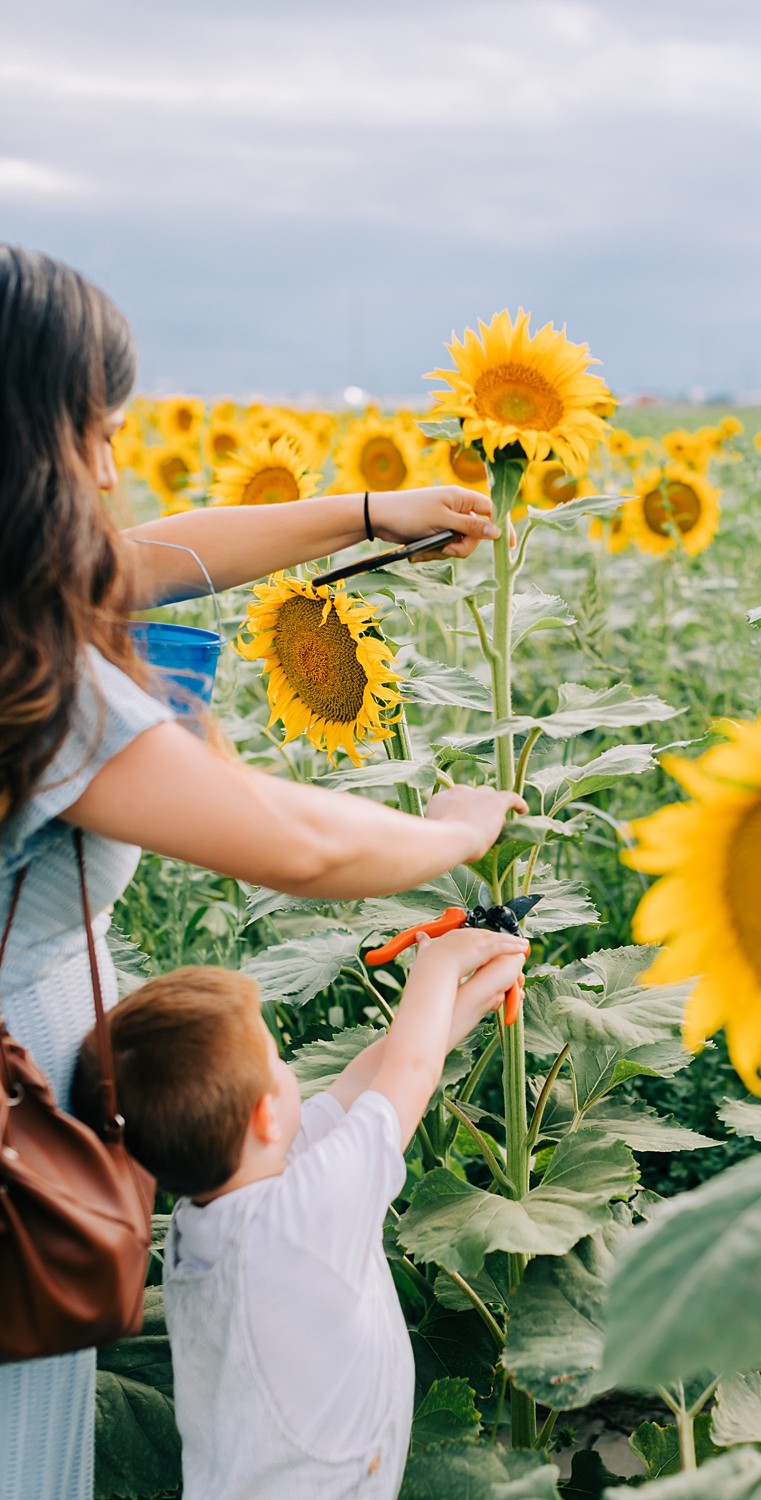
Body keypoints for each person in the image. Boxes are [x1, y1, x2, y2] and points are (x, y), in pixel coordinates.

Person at [0, 244, 526, 1500]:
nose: (115, 467)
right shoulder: (38, 687)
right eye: (99, 432)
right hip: (17, 1140)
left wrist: (364, 514)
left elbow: (166, 555)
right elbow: (296, 844)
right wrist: (454, 834)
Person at [73, 927, 527, 1500]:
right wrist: (438, 964)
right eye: (276, 1062)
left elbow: (365, 1081)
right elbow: (409, 1075)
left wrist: (468, 998)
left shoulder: (216, 1210)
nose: (290, 1071)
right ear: (266, 1116)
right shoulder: (305, 1216)